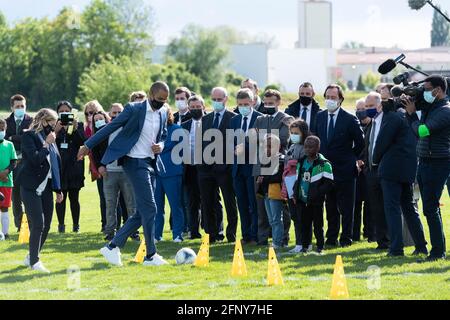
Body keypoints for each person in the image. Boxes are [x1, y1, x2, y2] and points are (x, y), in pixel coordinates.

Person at [78, 81, 170, 267]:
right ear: (151, 95)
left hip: (150, 162)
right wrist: (88, 145)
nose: (162, 102)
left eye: (165, 100)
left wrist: (161, 145)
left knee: (142, 210)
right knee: (151, 208)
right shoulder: (134, 109)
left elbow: (164, 135)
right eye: (159, 99)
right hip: (134, 162)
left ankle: (112, 247)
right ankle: (150, 255)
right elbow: (110, 127)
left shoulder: (162, 112)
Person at [373, 99, 428, 257]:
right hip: (408, 168)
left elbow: (382, 142)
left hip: (391, 169)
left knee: (392, 209)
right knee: (409, 208)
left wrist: (375, 159)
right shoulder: (411, 118)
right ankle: (421, 246)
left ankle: (396, 248)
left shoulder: (392, 118)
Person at [404, 75, 450, 261]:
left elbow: (422, 131)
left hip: (437, 162)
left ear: (438, 90)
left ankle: (438, 252)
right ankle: (439, 249)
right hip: (425, 161)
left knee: (430, 208)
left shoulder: (445, 110)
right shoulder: (433, 106)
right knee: (430, 208)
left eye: (427, 88)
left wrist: (412, 114)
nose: (424, 92)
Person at [316, 84, 365, 248]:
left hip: (345, 169)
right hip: (325, 170)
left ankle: (346, 238)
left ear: (340, 99)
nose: (330, 100)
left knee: (347, 207)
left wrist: (351, 158)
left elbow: (360, 143)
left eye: (333, 97)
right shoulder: (320, 117)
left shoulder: (350, 119)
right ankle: (331, 238)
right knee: (330, 206)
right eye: (327, 97)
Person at [17, 109, 64, 273]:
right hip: (30, 186)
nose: (54, 126)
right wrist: (46, 144)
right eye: (52, 122)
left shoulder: (50, 137)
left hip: (46, 187)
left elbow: (55, 166)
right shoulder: (29, 135)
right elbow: (35, 159)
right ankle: (35, 262)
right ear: (44, 120)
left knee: (47, 225)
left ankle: (31, 256)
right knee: (38, 224)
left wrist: (58, 189)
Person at [197, 87, 238, 243]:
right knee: (208, 202)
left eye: (219, 99)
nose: (216, 102)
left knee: (229, 202)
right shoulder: (205, 119)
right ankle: (212, 234)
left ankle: (231, 234)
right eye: (213, 99)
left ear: (226, 99)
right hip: (206, 169)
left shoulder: (233, 118)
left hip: (225, 169)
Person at [254, 89, 294, 246]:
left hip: (279, 167)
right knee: (261, 204)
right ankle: (263, 237)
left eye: (271, 103)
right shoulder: (259, 119)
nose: (268, 105)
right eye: (265, 103)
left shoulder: (286, 118)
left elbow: (282, 139)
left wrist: (264, 137)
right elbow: (255, 137)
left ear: (278, 102)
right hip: (261, 165)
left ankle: (283, 237)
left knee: (280, 205)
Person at [231, 88, 262, 245]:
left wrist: (246, 149)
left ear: (252, 102)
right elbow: (229, 143)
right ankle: (246, 235)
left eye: (246, 104)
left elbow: (264, 144)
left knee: (253, 204)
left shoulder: (260, 119)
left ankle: (255, 235)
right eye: (240, 104)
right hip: (238, 169)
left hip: (253, 168)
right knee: (242, 203)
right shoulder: (234, 120)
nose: (243, 106)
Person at [294, 136, 334, 254]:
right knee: (304, 224)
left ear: (318, 148)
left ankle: (320, 246)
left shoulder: (324, 164)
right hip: (303, 199)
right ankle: (305, 246)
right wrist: (296, 193)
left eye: (310, 147)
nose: (307, 149)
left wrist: (317, 193)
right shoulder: (301, 162)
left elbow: (329, 184)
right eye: (306, 147)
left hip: (316, 201)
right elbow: (297, 180)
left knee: (318, 224)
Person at [359, 94, 389, 249]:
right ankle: (382, 241)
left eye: (371, 106)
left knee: (388, 207)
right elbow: (368, 146)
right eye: (366, 107)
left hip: (385, 170)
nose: (368, 109)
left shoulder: (387, 122)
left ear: (380, 105)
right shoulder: (371, 124)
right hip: (371, 171)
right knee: (376, 208)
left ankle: (391, 240)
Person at [54, 101, 86, 233]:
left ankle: (76, 225)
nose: (64, 113)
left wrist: (74, 129)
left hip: (74, 167)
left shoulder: (79, 125)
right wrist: (57, 129)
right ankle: (61, 225)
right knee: (60, 197)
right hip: (59, 167)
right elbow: (50, 141)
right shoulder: (55, 126)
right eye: (61, 111)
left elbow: (82, 142)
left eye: (67, 111)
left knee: (74, 198)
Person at [154, 108, 185, 242]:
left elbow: (180, 150)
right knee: (156, 207)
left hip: (172, 173)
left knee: (175, 205)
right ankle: (156, 235)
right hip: (155, 173)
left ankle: (177, 234)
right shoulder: (152, 130)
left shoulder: (176, 129)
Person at [4, 94, 33, 231]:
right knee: (15, 195)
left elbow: (29, 139)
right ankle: (19, 224)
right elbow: (6, 141)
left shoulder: (32, 121)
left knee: (27, 193)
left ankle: (30, 222)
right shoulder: (5, 122)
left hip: (27, 162)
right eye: (17, 106)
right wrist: (19, 138)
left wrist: (13, 137)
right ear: (12, 107)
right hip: (13, 163)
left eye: (23, 106)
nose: (20, 108)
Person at [181, 95, 206, 239]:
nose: (195, 109)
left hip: (207, 167)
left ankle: (214, 230)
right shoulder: (184, 125)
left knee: (210, 200)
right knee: (192, 201)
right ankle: (194, 231)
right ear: (189, 108)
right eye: (193, 107)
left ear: (203, 107)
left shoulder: (209, 122)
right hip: (190, 168)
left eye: (198, 107)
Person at [283, 119, 310, 253]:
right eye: (291, 132)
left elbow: (305, 164)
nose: (293, 135)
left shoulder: (306, 147)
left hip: (299, 186)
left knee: (301, 215)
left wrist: (295, 162)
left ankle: (302, 243)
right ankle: (302, 242)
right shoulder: (292, 146)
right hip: (289, 185)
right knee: (294, 215)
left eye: (296, 133)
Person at [83, 100, 109, 232]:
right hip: (95, 165)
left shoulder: (108, 127)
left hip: (110, 165)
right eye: (87, 113)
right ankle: (105, 223)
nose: (89, 116)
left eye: (92, 113)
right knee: (103, 195)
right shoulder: (87, 128)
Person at [256, 134, 285, 249]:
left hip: (275, 192)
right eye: (264, 146)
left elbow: (278, 176)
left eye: (270, 146)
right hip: (266, 192)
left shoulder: (281, 159)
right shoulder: (265, 159)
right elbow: (264, 175)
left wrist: (264, 178)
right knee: (271, 220)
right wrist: (260, 178)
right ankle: (275, 241)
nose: (266, 149)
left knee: (276, 219)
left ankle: (277, 242)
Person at [354, 98, 375, 242]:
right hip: (355, 170)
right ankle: (354, 234)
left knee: (370, 204)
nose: (361, 112)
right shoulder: (354, 126)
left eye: (363, 109)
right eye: (358, 109)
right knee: (355, 204)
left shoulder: (373, 126)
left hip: (367, 169)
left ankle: (369, 232)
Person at [0, 118, 18, 240]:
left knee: (4, 207)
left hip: (7, 181)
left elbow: (14, 161)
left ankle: (5, 233)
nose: (0, 131)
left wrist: (6, 172)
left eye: (2, 129)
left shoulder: (9, 144)